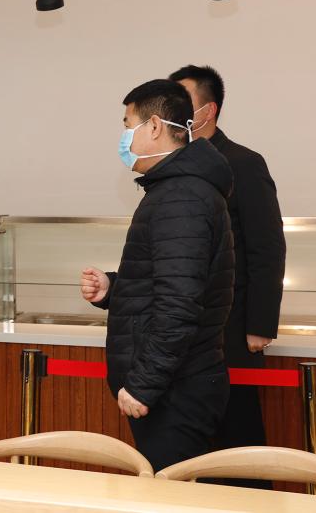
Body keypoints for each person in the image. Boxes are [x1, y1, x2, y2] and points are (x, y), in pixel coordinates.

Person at [81, 79, 235, 472]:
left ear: (153, 126)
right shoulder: (176, 191)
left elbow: (179, 305)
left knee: (170, 492)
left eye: (127, 125)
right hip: (178, 382)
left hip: (175, 389)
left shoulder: (181, 197)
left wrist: (144, 383)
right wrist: (113, 288)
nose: (124, 137)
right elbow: (172, 278)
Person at [171, 65, 285, 488]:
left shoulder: (243, 163)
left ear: (209, 110)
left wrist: (260, 325)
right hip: (185, 329)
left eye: (182, 103)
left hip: (232, 329)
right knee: (191, 445)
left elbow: (266, 247)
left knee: (238, 439)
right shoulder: (173, 165)